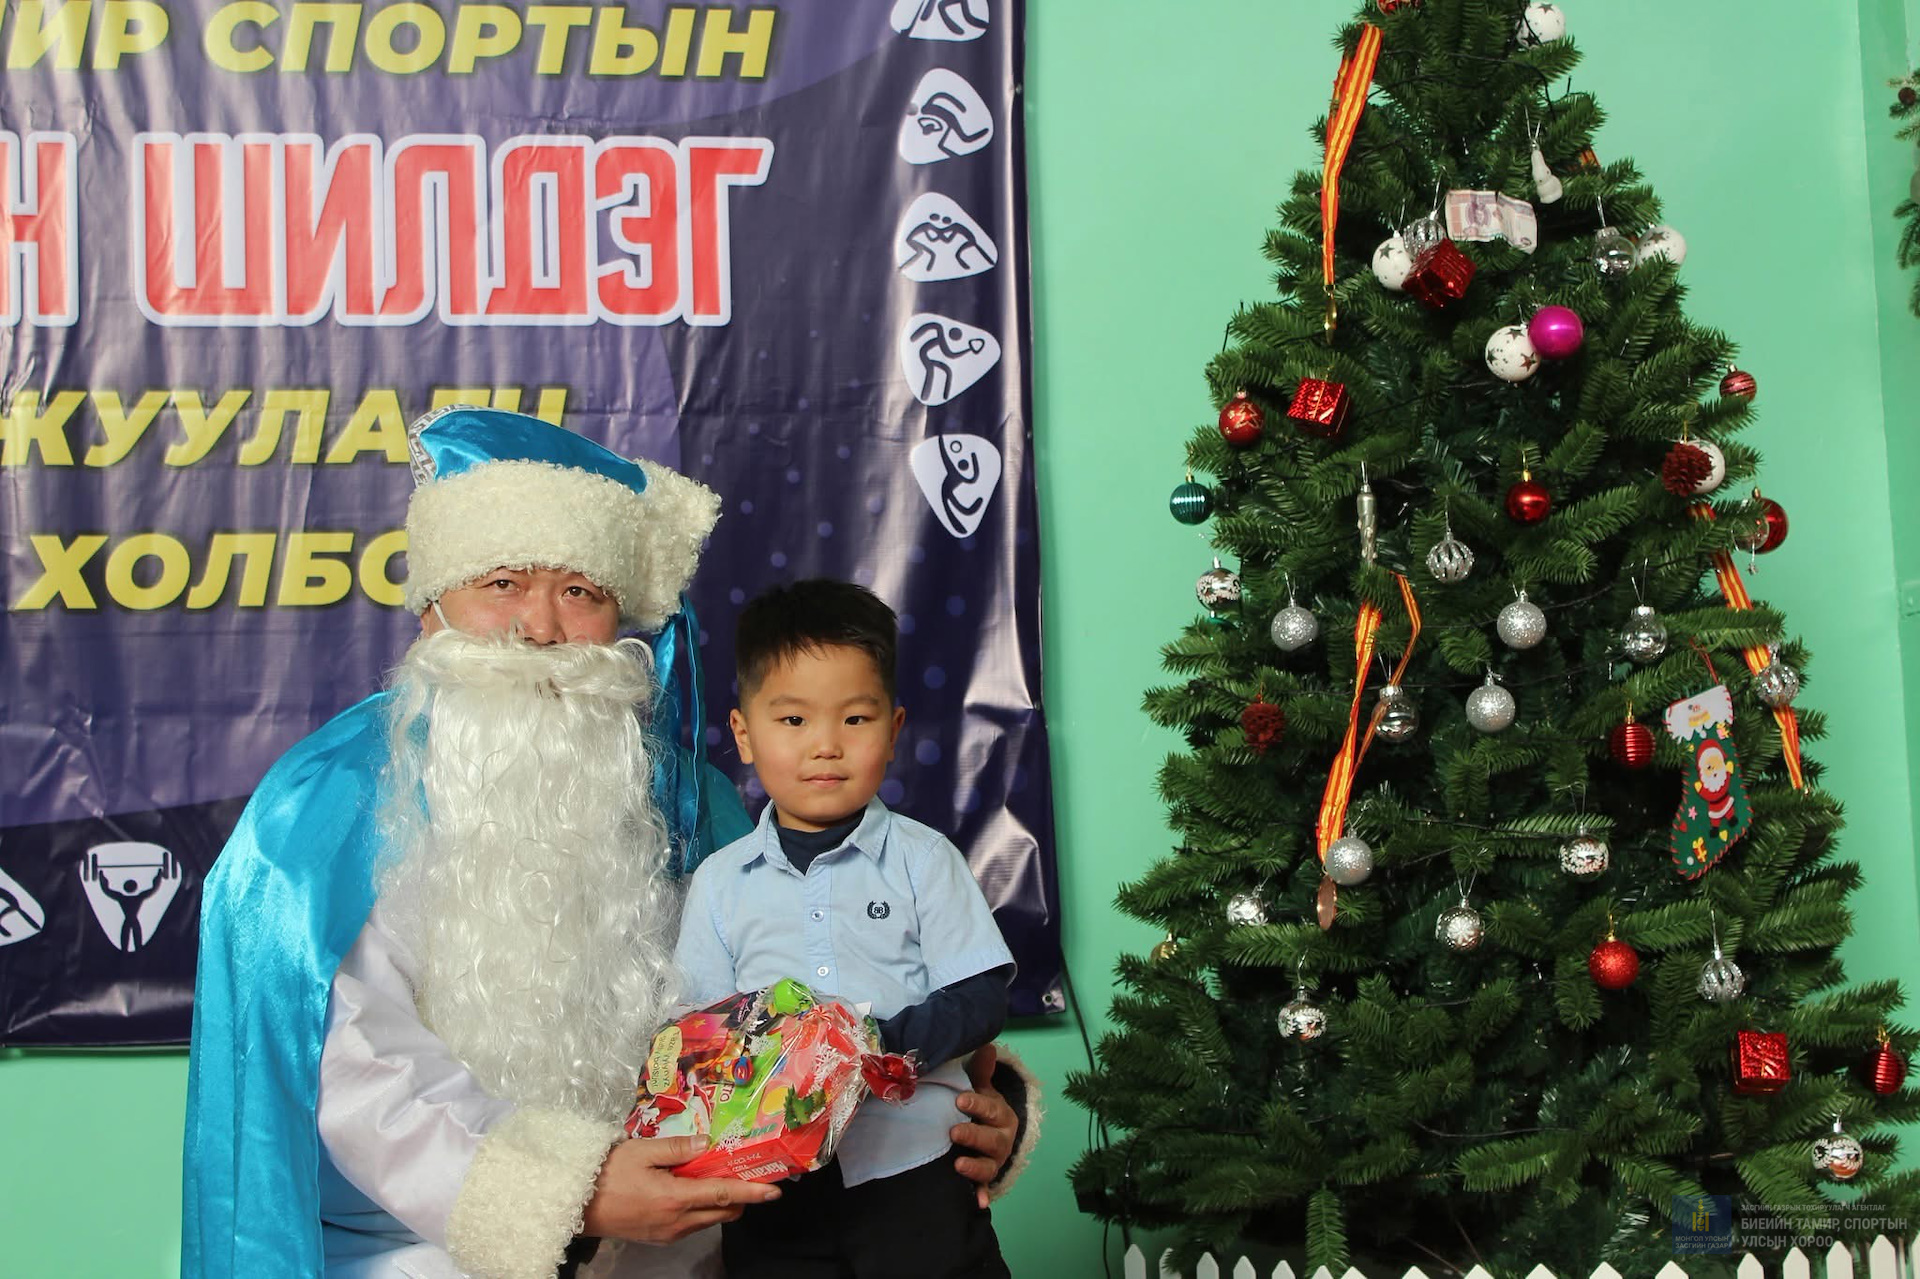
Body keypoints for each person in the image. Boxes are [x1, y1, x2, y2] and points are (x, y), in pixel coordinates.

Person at [181, 408, 1031, 1279]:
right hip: (418, 1241)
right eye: (503, 581)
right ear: (434, 603)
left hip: (687, 1222)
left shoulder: (684, 800)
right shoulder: (330, 803)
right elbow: (353, 1069)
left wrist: (963, 1107)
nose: (541, 627)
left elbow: (807, 992)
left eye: (580, 591)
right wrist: (569, 1190)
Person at [674, 580, 1015, 1279]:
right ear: (743, 733)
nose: (826, 745)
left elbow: (979, 997)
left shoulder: (926, 860)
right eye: (793, 720)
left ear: (893, 730)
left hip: (915, 1169)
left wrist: (870, 1050)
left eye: (855, 718)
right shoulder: (718, 882)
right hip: (773, 1183)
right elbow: (700, 1035)